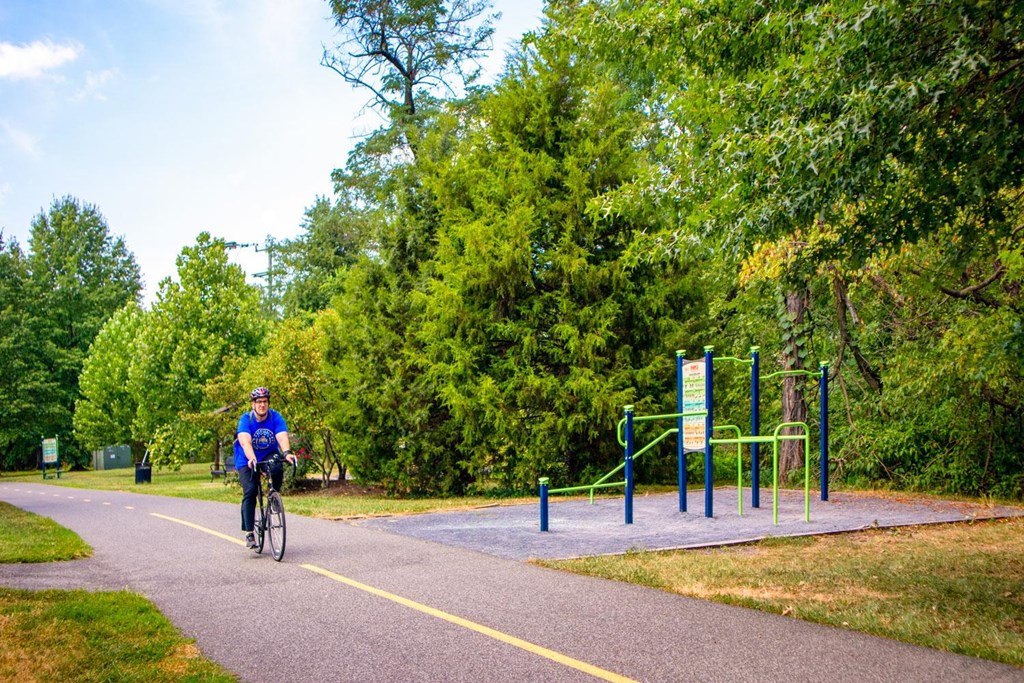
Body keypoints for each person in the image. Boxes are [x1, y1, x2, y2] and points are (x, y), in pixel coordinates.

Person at [235, 386, 298, 549]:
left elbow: (282, 436)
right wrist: (252, 458)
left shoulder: (275, 417)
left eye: (264, 402)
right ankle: (249, 532)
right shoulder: (246, 420)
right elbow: (244, 441)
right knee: (250, 491)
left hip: (268, 454)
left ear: (268, 403)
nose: (262, 405)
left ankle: (273, 497)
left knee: (277, 466)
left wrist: (287, 453)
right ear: (253, 404)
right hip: (247, 459)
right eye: (258, 402)